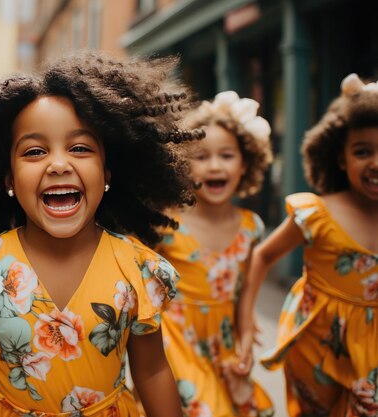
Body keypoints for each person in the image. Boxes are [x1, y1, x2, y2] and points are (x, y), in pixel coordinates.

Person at [0, 52, 204, 417]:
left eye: (79, 148)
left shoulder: (137, 269)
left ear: (106, 174)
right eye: (35, 151)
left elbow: (152, 371)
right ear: (9, 180)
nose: (58, 164)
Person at [238, 73, 378, 416]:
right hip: (316, 348)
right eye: (363, 151)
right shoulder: (316, 213)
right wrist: (246, 322)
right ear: (340, 158)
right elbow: (262, 255)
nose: (376, 162)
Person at [155, 91, 275, 417]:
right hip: (175, 341)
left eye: (226, 155)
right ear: (183, 164)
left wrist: (246, 345)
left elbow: (245, 299)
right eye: (201, 156)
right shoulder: (166, 223)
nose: (214, 166)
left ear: (245, 163)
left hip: (223, 343)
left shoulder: (251, 227)